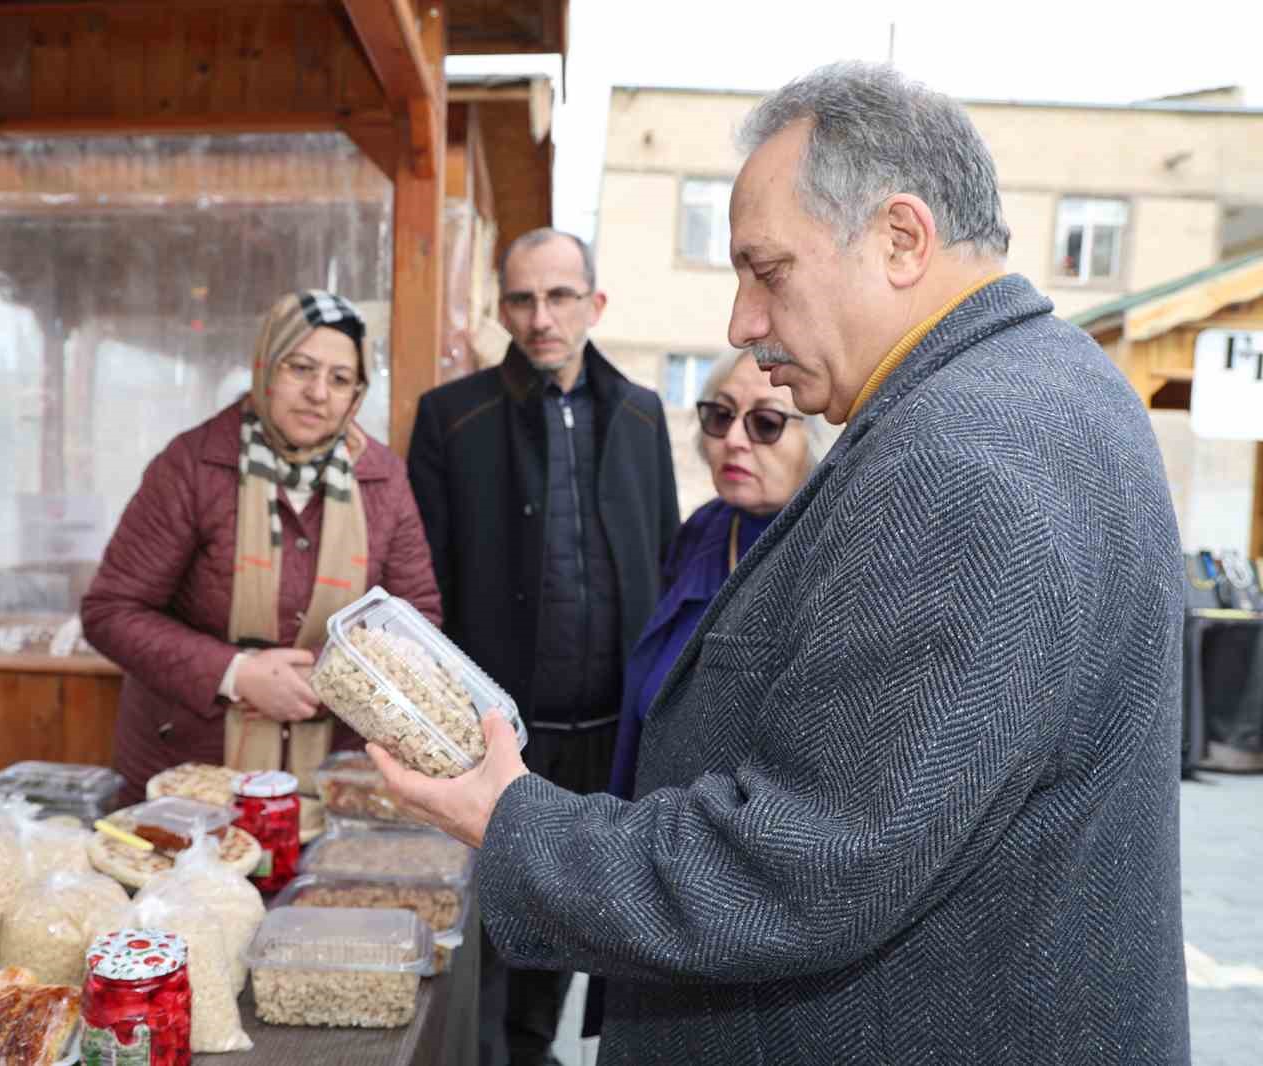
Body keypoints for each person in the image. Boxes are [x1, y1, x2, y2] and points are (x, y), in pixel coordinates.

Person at [375, 62, 1191, 1064]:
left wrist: (511, 819)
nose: (740, 324)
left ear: (900, 240)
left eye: (767, 270)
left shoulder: (960, 454)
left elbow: (801, 865)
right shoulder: (1050, 384)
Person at [406, 228, 680, 1066]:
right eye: (523, 298)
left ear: (595, 304)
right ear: (501, 308)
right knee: (482, 931)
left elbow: (664, 561)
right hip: (494, 736)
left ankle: (531, 1053)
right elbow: (424, 593)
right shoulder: (452, 418)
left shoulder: (640, 414)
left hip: (606, 732)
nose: (541, 317)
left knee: (571, 925)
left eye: (561, 296)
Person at [82, 290, 441, 802]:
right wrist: (238, 674)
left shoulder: (384, 479)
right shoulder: (192, 465)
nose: (318, 392)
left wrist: (330, 677)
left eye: (339, 379)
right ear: (265, 368)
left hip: (333, 778)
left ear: (356, 395)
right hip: (192, 776)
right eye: (300, 368)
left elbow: (416, 617)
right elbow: (111, 611)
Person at [608, 350, 838, 801]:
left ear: (816, 439)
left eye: (766, 423)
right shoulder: (706, 529)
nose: (734, 438)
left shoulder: (831, 556)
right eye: (720, 414)